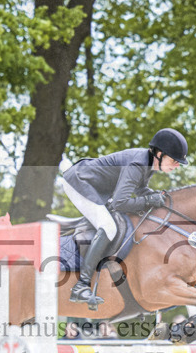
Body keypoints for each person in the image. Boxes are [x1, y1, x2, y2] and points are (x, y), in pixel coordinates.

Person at [61, 128, 188, 308]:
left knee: (111, 222)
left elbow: (140, 190)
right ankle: (81, 285)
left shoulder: (148, 163)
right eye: (174, 161)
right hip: (80, 182)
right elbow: (120, 203)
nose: (177, 165)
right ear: (160, 154)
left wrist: (155, 198)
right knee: (108, 227)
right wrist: (149, 199)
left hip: (94, 187)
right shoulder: (138, 164)